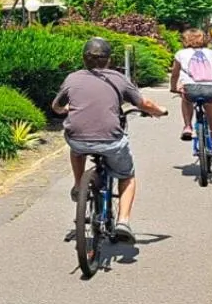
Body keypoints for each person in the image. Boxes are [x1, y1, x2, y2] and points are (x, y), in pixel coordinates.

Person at [52, 37, 168, 244]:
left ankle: (79, 185)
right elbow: (144, 103)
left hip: (78, 138)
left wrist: (65, 110)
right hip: (111, 141)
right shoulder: (119, 79)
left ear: (83, 58)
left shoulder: (72, 78)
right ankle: (123, 221)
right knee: (127, 175)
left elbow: (57, 106)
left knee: (76, 147)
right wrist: (160, 111)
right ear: (109, 59)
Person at [170, 27, 212, 168]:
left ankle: (187, 126)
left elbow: (175, 74)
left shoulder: (180, 54)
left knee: (186, 98)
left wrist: (173, 87)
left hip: (190, 89)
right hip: (210, 90)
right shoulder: (211, 53)